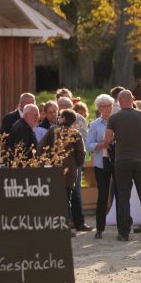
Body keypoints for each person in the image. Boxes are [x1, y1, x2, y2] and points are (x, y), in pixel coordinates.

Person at [103, 90, 141, 241]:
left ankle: (124, 232)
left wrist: (114, 140)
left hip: (122, 161)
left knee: (123, 198)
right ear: (133, 99)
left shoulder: (114, 118)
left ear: (118, 101)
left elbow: (107, 140)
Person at [40, 109, 85, 237]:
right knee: (66, 199)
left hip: (53, 170)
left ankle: (53, 227)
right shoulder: (76, 134)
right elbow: (81, 154)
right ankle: (67, 227)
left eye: (60, 116)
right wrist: (74, 164)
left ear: (64, 118)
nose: (58, 118)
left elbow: (40, 148)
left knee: (53, 199)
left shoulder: (52, 131)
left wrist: (47, 161)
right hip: (69, 172)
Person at [58, 96, 90, 232]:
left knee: (75, 193)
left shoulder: (79, 120)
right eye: (60, 106)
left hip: (73, 165)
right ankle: (66, 223)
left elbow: (83, 143)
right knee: (62, 194)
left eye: (65, 106)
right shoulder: (56, 123)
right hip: (58, 165)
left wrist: (77, 163)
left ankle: (78, 222)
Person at [86, 94, 115, 239]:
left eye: (109, 105)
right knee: (103, 195)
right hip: (100, 163)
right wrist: (101, 144)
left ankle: (123, 226)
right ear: (99, 108)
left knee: (120, 194)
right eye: (104, 106)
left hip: (117, 161)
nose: (107, 108)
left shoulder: (117, 121)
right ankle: (100, 228)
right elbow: (88, 145)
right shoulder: (94, 124)